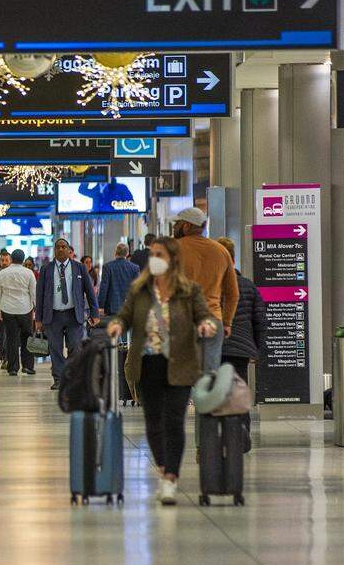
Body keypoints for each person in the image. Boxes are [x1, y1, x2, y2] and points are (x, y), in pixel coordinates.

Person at [106, 236, 218, 505]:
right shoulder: (140, 290)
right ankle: (164, 466)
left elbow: (203, 314)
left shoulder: (189, 290)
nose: (154, 258)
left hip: (180, 364)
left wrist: (206, 325)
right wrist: (118, 325)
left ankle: (170, 477)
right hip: (147, 364)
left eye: (160, 254)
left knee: (174, 421)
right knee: (153, 422)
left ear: (172, 260)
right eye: (152, 253)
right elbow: (125, 314)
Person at [172, 207, 238, 372]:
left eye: (177, 224)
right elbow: (233, 293)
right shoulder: (222, 251)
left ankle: (187, 398)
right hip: (212, 319)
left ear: (186, 226)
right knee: (209, 375)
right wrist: (227, 322)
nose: (174, 228)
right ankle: (206, 397)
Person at [216, 236, 267, 444]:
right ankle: (243, 433)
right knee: (239, 389)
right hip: (241, 349)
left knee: (216, 392)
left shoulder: (210, 286)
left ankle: (219, 435)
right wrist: (258, 350)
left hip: (215, 347)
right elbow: (260, 321)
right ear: (234, 259)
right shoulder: (248, 286)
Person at [35, 238, 99, 390]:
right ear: (54, 250)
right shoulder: (46, 269)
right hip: (53, 315)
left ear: (69, 250)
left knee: (75, 347)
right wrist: (38, 318)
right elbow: (40, 294)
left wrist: (94, 312)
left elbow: (89, 291)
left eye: (64, 247)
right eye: (58, 247)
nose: (61, 249)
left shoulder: (79, 268)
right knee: (55, 348)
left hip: (73, 314)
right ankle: (58, 379)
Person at [0, 248, 38, 376]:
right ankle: (28, 367)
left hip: (8, 309)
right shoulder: (29, 273)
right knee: (27, 338)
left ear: (12, 259)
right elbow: (33, 293)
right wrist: (35, 309)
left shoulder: (3, 273)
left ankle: (13, 368)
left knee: (11, 339)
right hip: (25, 310)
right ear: (23, 260)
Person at [97, 243, 141, 318]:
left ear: (116, 252)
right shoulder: (135, 268)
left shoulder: (108, 267)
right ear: (127, 253)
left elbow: (104, 288)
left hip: (111, 307)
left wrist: (100, 306)